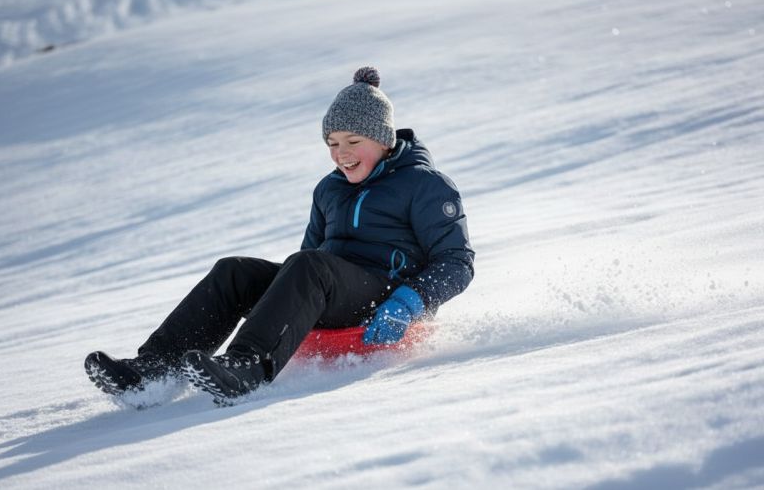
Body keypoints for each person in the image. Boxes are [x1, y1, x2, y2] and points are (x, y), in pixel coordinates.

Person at [85, 66, 475, 406]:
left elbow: (457, 262)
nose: (342, 154)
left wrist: (409, 302)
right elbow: (307, 258)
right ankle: (153, 372)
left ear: (384, 139)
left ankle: (247, 366)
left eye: (353, 142)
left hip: (384, 301)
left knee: (309, 266)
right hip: (330, 286)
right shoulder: (329, 189)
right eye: (333, 144)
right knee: (234, 272)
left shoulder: (424, 185)